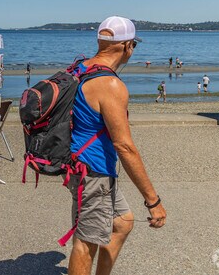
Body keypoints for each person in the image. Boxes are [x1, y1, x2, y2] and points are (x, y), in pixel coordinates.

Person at [67, 16, 166, 274]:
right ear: (127, 46)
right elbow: (125, 147)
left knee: (122, 222)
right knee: (85, 243)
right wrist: (152, 200)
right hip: (94, 172)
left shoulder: (79, 68)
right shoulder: (110, 85)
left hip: (77, 166)